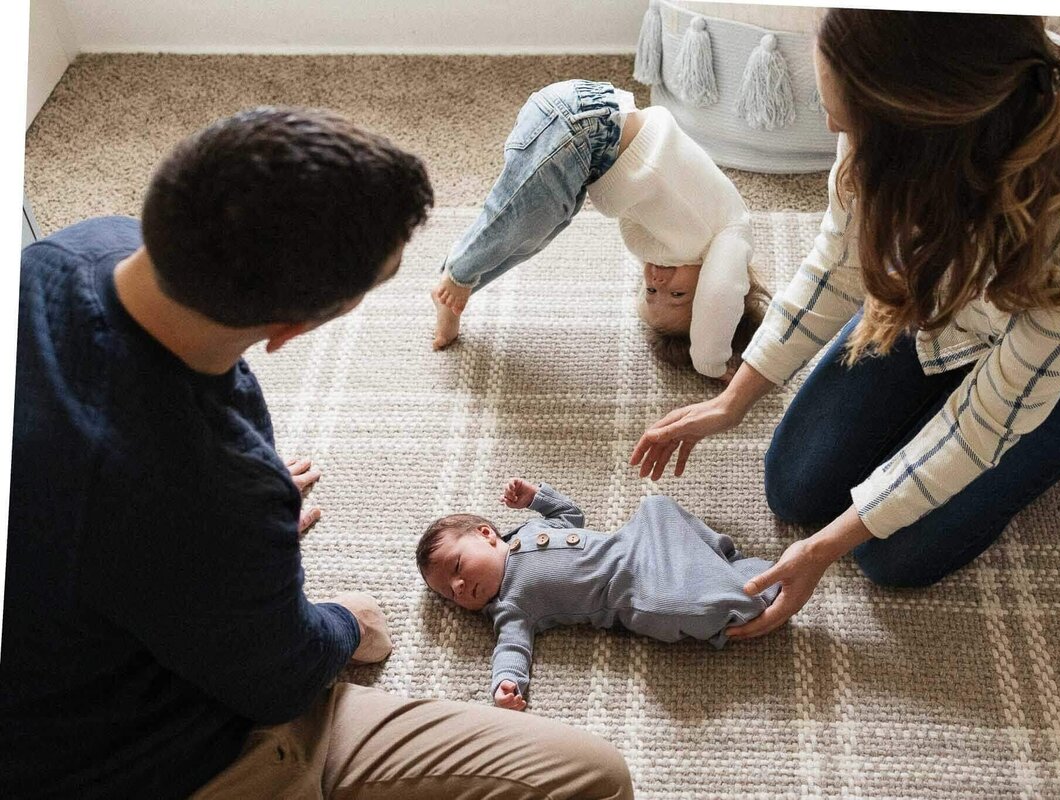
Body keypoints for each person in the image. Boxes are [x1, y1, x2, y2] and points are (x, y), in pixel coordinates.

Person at [1, 107, 632, 800]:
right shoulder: (210, 492)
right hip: (159, 762)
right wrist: (341, 619)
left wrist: (228, 541)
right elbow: (278, 681)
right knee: (592, 777)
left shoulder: (75, 253)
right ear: (293, 328)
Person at [630, 12, 1060, 639]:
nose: (831, 128)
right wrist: (734, 400)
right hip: (947, 299)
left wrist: (820, 554)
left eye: (843, 120)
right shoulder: (885, 96)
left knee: (891, 556)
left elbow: (986, 423)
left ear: (922, 135)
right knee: (796, 490)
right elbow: (839, 263)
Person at [431, 79, 769, 381]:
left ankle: (460, 293)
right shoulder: (730, 234)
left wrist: (660, 303)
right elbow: (719, 297)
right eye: (677, 295)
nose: (657, 282)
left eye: (650, 292)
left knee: (532, 238)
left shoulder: (678, 242)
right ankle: (460, 274)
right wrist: (711, 361)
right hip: (585, 128)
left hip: (583, 144)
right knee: (515, 217)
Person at [417, 479, 781, 710]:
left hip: (634, 541)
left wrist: (537, 498)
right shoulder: (511, 605)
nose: (460, 587)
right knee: (671, 606)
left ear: (486, 534)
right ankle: (748, 593)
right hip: (630, 590)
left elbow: (571, 516)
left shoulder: (529, 530)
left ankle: (723, 559)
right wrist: (506, 683)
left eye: (458, 567)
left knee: (657, 508)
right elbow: (512, 647)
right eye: (450, 594)